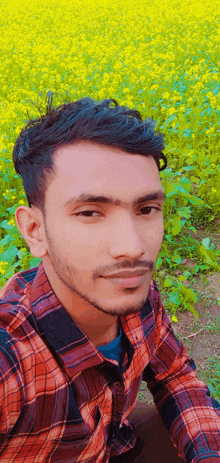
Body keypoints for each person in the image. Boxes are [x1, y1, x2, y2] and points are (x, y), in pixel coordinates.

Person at [0, 95, 219, 463]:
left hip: (114, 443)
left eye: (147, 209)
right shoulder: (12, 360)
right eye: (89, 212)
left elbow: (175, 376)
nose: (133, 249)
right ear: (35, 230)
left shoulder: (138, 295)